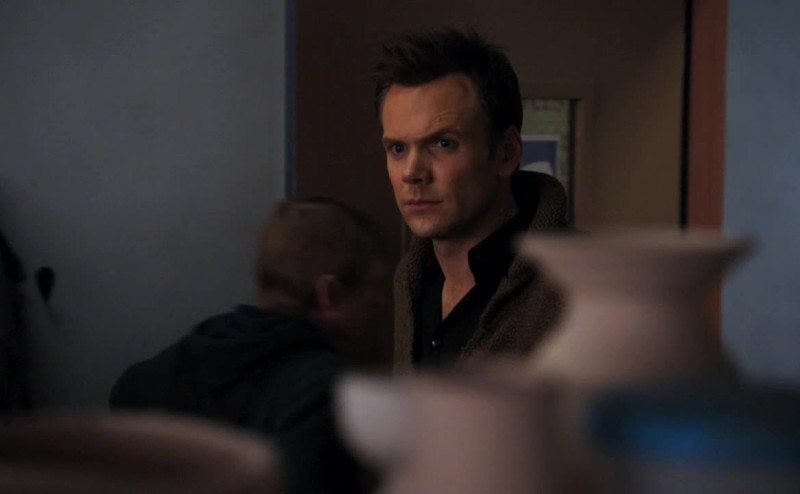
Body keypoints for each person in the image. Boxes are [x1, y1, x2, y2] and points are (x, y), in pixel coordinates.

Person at [110, 197, 388, 494]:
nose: (379, 300)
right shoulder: (324, 395)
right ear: (327, 293)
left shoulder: (156, 375)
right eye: (373, 286)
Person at [372, 28, 569, 369]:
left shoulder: (575, 288)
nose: (412, 172)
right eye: (398, 148)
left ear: (506, 152)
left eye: (443, 143)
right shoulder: (412, 279)